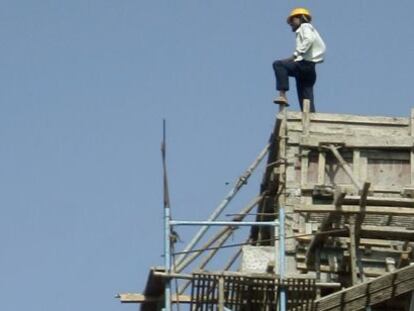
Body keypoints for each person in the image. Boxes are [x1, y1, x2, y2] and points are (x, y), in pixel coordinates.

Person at [272, 8, 326, 112]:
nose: (291, 23)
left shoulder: (305, 26)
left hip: (304, 64)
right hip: (310, 69)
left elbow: (309, 39)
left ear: (300, 18)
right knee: (306, 97)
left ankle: (282, 94)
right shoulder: (308, 29)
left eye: (292, 20)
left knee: (279, 65)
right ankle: (310, 118)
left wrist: (295, 55)